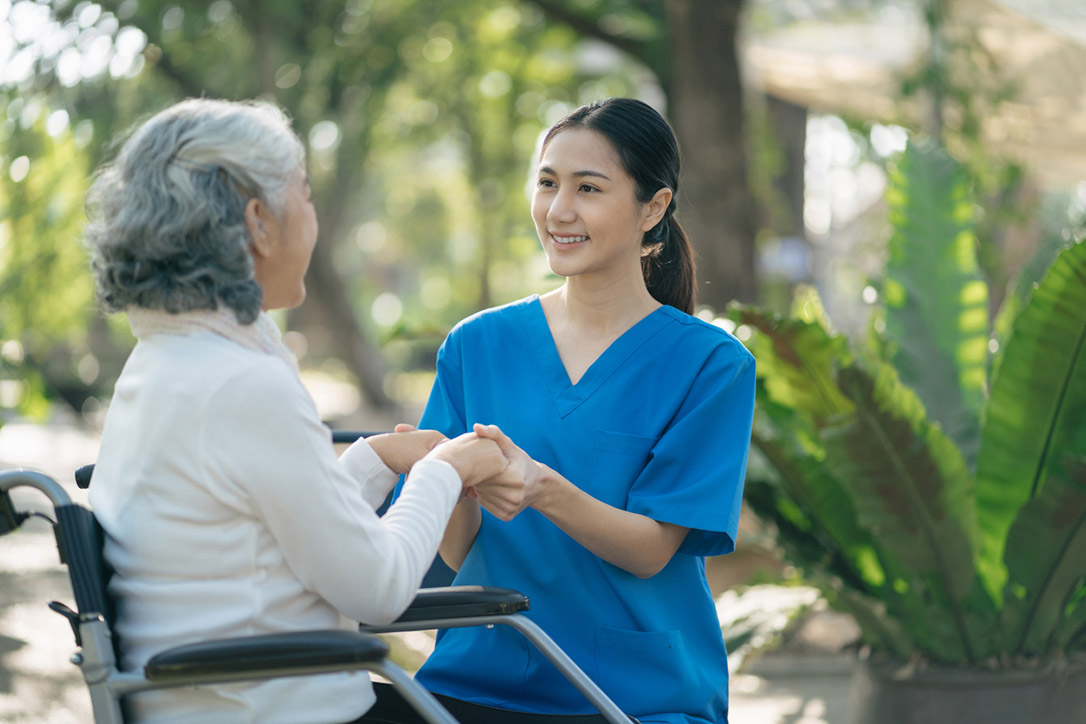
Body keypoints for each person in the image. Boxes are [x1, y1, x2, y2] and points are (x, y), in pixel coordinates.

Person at [83, 98, 511, 724]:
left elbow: (275, 530)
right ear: (259, 223)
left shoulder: (163, 362)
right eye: (305, 193)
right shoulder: (242, 383)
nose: (314, 217)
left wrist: (374, 458)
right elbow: (380, 588)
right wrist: (447, 469)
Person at [364, 98, 756, 724]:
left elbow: (652, 550)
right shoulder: (476, 344)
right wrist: (444, 477)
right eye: (547, 183)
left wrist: (540, 486)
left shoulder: (711, 365)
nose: (558, 210)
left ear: (653, 208)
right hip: (481, 676)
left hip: (634, 692)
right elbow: (460, 554)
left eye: (588, 188)